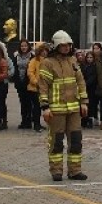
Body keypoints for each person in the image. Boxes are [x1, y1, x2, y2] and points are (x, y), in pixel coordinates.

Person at [38, 30, 89, 182]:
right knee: (57, 141)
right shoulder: (47, 63)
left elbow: (80, 83)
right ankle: (56, 171)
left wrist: (84, 102)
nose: (66, 48)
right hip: (56, 110)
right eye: (63, 45)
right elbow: (43, 87)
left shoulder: (73, 61)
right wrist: (45, 107)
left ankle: (75, 171)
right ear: (55, 46)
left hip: (74, 109)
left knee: (75, 140)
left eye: (68, 45)